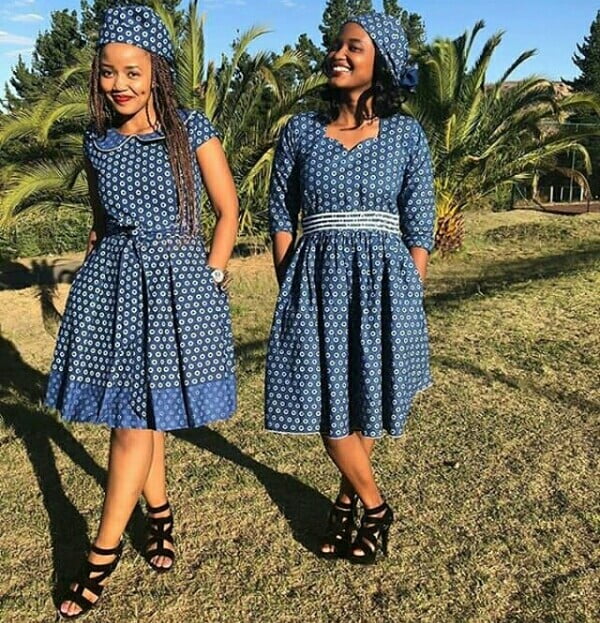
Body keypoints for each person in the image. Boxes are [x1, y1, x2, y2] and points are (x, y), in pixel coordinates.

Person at [45, 6, 238, 618]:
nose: (119, 83)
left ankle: (100, 554)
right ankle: (158, 515)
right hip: (111, 282)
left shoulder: (191, 130)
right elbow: (101, 225)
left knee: (135, 422)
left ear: (157, 71)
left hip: (178, 282)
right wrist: (89, 281)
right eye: (108, 72)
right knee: (135, 417)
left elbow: (227, 212)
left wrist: (211, 275)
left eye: (132, 70)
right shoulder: (95, 140)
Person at [265, 11, 435, 565]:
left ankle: (345, 506)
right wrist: (290, 281)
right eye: (336, 45)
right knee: (326, 405)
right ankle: (376, 506)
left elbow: (419, 222)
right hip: (314, 283)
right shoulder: (300, 132)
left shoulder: (406, 134)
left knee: (360, 399)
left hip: (386, 285)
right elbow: (280, 212)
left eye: (353, 46)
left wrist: (408, 292)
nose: (338, 53)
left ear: (379, 62)